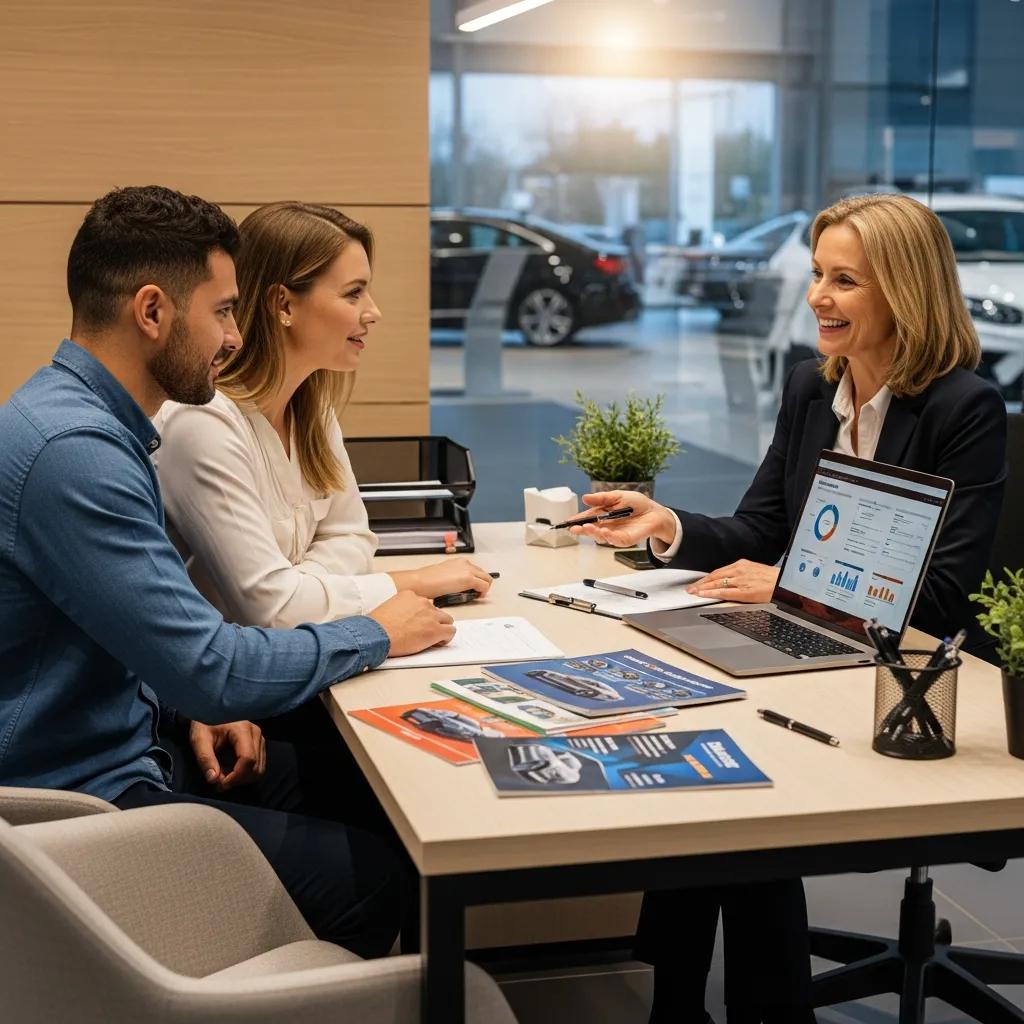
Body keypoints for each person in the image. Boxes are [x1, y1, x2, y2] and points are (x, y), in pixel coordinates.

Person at [571, 193, 1008, 1022]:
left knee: (744, 802)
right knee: (703, 761)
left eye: (845, 280)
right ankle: (683, 1001)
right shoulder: (814, 390)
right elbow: (763, 527)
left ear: (904, 294)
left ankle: (756, 1011)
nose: (817, 296)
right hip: (813, 647)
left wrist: (791, 585)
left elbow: (940, 598)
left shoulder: (962, 409)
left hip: (908, 674)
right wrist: (669, 526)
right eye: (817, 274)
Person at [0, 185, 457, 959]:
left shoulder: (87, 426)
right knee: (380, 875)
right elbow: (213, 665)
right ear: (152, 312)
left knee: (358, 792)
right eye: (220, 312)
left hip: (132, 744)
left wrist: (178, 705)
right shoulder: (76, 455)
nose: (231, 336)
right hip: (80, 804)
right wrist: (375, 632)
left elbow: (129, 640)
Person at [151, 200, 492, 629]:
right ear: (284, 305)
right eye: (353, 293)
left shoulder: (312, 407)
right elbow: (271, 611)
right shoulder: (201, 422)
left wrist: (300, 587)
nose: (373, 311)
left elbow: (352, 538)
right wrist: (412, 582)